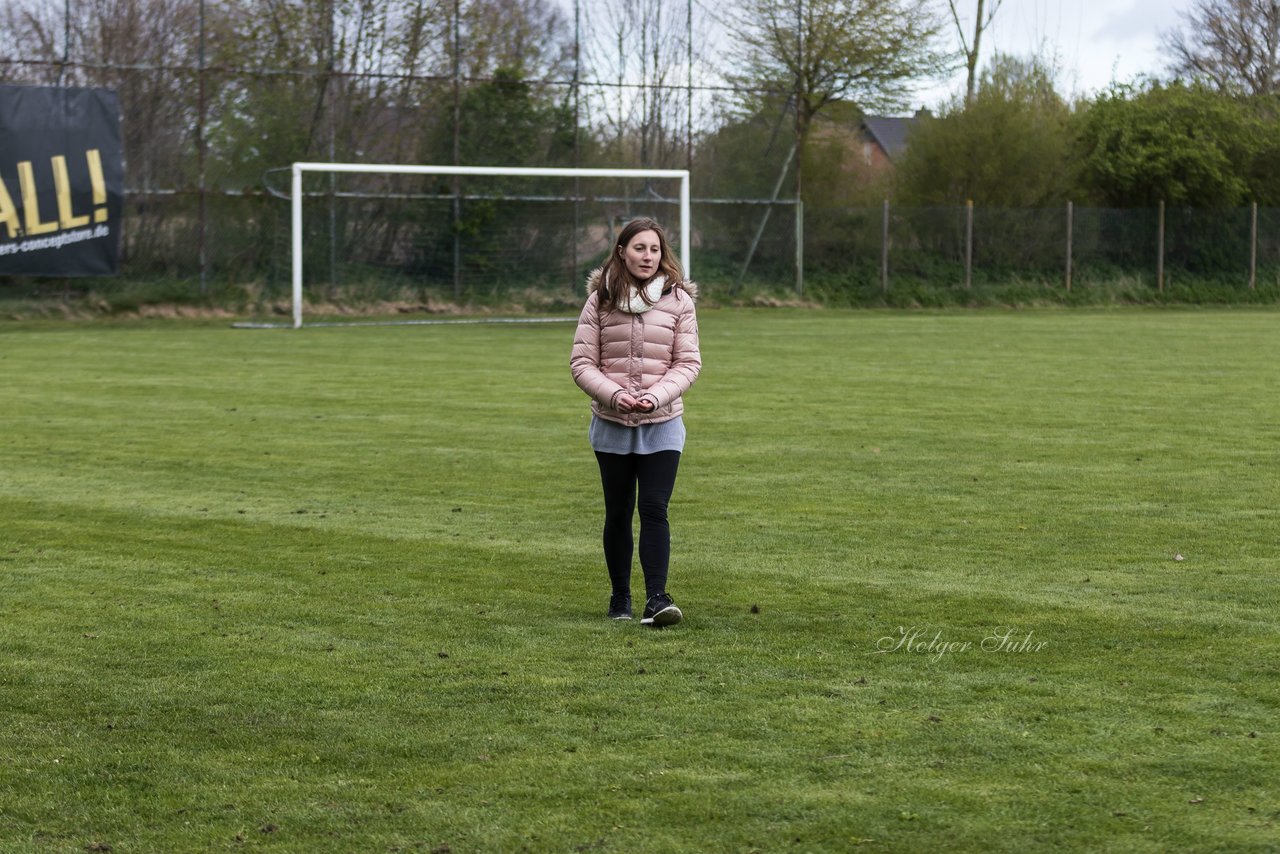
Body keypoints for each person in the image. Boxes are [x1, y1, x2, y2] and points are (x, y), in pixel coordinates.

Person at [570, 217, 702, 626]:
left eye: (655, 249)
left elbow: (688, 363)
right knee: (618, 511)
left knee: (654, 508)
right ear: (622, 251)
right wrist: (614, 395)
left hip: (663, 422)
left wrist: (655, 396)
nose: (648, 256)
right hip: (611, 423)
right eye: (640, 248)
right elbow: (581, 363)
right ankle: (620, 598)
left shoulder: (679, 301)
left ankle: (657, 600)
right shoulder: (600, 300)